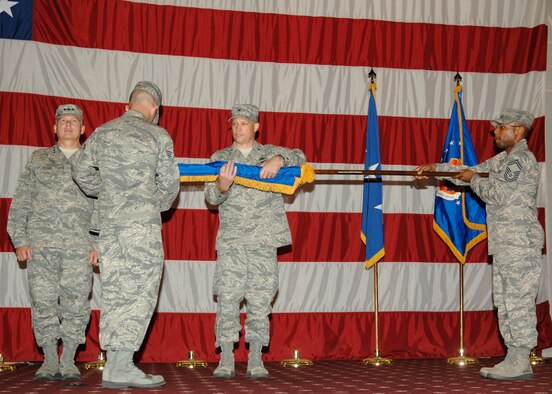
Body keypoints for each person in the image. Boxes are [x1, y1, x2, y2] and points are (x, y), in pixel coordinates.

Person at [415, 109, 544, 380]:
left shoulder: (519, 160)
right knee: (506, 302)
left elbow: (497, 194)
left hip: (520, 245)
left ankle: (520, 358)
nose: (495, 132)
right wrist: (436, 169)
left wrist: (472, 180)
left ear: (518, 130)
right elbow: (472, 171)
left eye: (501, 127)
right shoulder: (505, 160)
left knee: (517, 302)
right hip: (507, 244)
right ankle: (514, 357)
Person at [71, 81, 181, 389]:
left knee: (116, 292)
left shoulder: (103, 132)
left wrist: (107, 194)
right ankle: (121, 365)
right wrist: (150, 204)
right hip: (141, 228)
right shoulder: (158, 135)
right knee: (140, 294)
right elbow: (171, 185)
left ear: (128, 104)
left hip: (109, 227)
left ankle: (115, 366)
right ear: (154, 109)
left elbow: (80, 170)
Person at [205, 104, 307, 379]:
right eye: (234, 124)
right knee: (227, 298)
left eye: (244, 124)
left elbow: (301, 157)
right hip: (233, 242)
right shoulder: (221, 157)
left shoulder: (269, 153)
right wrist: (221, 187)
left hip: (263, 240)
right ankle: (226, 357)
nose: (238, 128)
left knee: (261, 300)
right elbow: (211, 198)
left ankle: (255, 358)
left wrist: (279, 160)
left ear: (256, 127)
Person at [7, 104, 98, 381]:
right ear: (54, 128)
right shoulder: (38, 159)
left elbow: (103, 207)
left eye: (74, 121)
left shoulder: (93, 163)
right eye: (63, 121)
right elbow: (22, 200)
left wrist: (99, 244)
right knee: (43, 302)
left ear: (83, 129)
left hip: (79, 247)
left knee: (76, 304)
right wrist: (20, 238)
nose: (68, 125)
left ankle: (68, 358)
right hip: (41, 246)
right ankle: (48, 359)